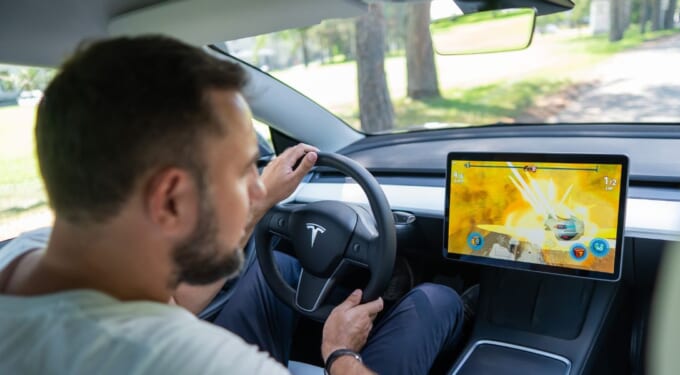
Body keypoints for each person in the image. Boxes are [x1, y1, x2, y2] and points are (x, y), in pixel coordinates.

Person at [0, 35, 463, 374]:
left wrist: (259, 209)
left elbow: (173, 302)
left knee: (273, 263)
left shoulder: (24, 253)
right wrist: (339, 354)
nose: (258, 188)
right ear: (171, 199)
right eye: (243, 171)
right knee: (437, 301)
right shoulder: (205, 363)